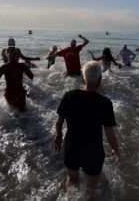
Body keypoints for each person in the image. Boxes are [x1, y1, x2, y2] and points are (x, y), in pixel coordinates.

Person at [51, 61, 120, 197]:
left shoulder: (69, 96)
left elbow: (59, 123)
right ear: (100, 80)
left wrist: (58, 136)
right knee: (91, 189)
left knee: (72, 179)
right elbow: (109, 131)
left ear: (83, 78)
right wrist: (115, 149)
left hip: (71, 147)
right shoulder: (105, 103)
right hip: (93, 152)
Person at [0, 46, 34, 111]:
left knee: (12, 112)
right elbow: (31, 77)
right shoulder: (22, 66)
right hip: (20, 93)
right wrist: (26, 67)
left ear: (7, 55)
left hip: (9, 94)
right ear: (16, 54)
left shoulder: (4, 67)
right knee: (23, 113)